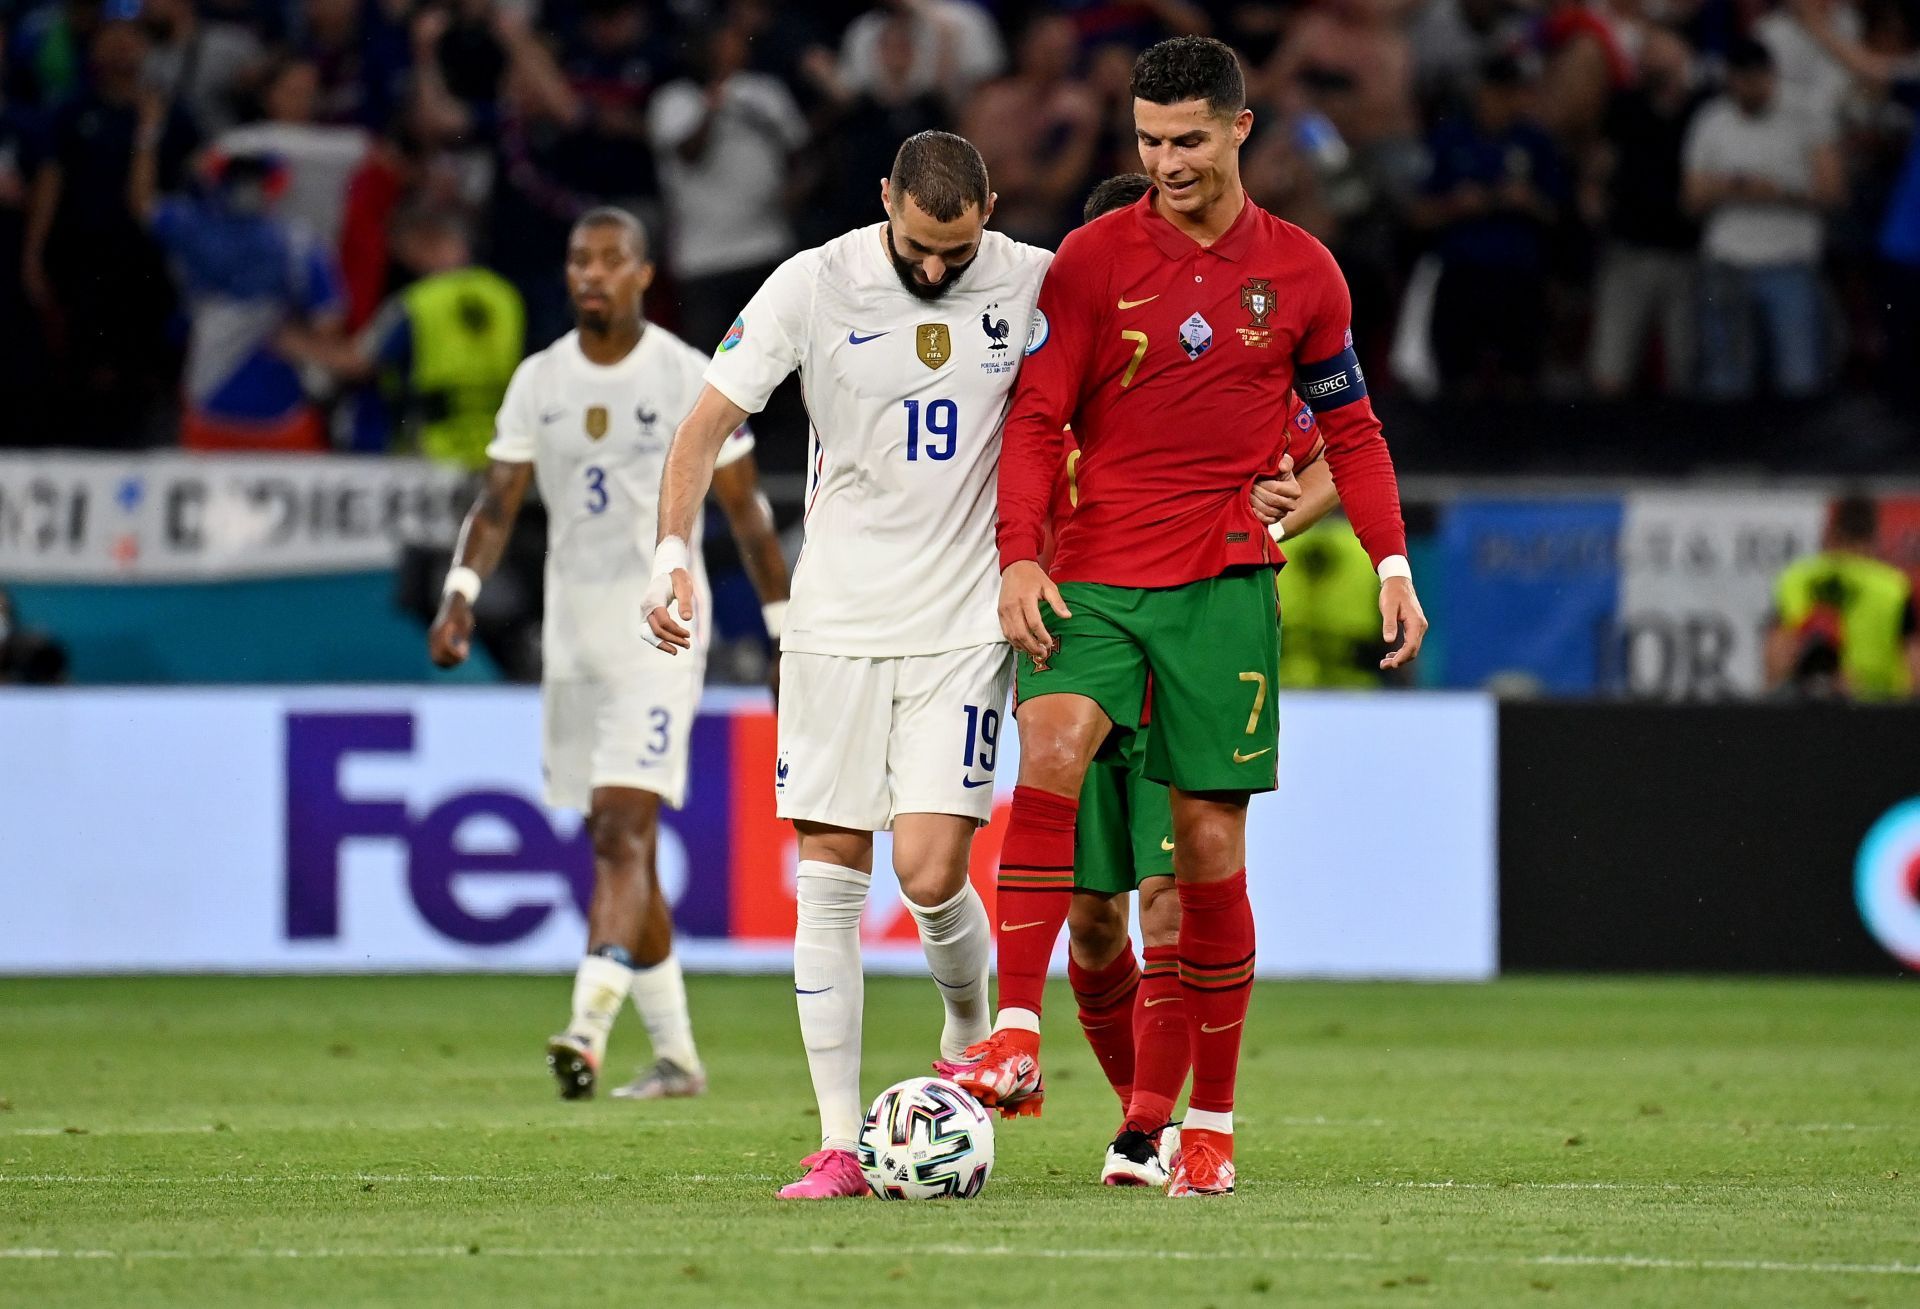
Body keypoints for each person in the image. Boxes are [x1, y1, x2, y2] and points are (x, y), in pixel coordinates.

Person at [953, 37, 1425, 1198]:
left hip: (1222, 588)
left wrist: (1391, 562)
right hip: (1098, 579)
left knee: (1206, 855)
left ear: (1238, 129)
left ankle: (1201, 1121)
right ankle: (1016, 1027)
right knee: (1052, 750)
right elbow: (1033, 421)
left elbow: (1350, 436)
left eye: (1186, 140)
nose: (1164, 161)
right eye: (1148, 141)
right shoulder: (1092, 258)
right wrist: (1021, 559)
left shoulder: (1306, 273)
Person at [643, 131, 1053, 1199]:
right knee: (828, 872)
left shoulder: (1033, 277)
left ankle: (970, 1027)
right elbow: (702, 428)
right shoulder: (812, 283)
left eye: (955, 252)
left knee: (928, 868)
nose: (934, 271)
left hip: (965, 621)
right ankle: (838, 1143)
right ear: (885, 203)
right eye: (918, 248)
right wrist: (668, 554)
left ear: (991, 212)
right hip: (833, 621)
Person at [428, 208, 790, 1101]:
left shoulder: (685, 374)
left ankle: (586, 1029)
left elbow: (745, 511)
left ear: (642, 272)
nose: (592, 274)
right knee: (611, 837)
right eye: (579, 260)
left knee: (624, 828)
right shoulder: (538, 380)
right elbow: (497, 502)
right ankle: (678, 1059)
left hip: (659, 631)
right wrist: (460, 593)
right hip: (574, 638)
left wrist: (786, 633)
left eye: (610, 260)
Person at [1027, 170, 1336, 1189]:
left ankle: (1163, 1123)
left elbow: (1334, 447)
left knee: (1170, 902)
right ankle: (1138, 1110)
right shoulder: (1049, 374)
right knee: (1094, 917)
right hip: (1081, 652)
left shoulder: (1205, 370)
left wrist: (1274, 515)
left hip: (1190, 650)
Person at [131, 127, 343, 452]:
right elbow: (329, 324)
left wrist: (147, 136)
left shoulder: (196, 226)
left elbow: (143, 203)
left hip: (253, 410)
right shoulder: (296, 243)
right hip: (241, 410)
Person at [1682, 37, 1842, 400]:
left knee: (1797, 376)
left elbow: (1833, 191)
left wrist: (1776, 192)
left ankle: (1802, 456)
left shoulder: (1806, 114)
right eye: (1736, 82)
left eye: (1752, 81)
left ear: (1769, 76)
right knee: (1725, 378)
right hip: (1726, 262)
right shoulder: (1712, 119)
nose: (1744, 90)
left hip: (1789, 263)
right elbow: (1691, 197)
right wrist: (1734, 187)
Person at [1766, 495, 1919, 700]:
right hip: (1879, 711)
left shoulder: (1795, 579)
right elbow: (1914, 660)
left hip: (1807, 705)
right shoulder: (1892, 586)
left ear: (1829, 533)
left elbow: (1776, 653)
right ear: (1874, 535)